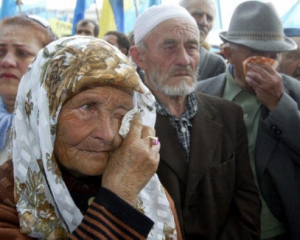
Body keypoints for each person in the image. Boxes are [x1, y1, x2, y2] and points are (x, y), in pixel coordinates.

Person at [0, 36, 182, 239]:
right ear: (42, 115)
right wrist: (119, 195)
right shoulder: (6, 197)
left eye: (121, 113)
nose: (107, 134)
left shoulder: (151, 193)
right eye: (87, 107)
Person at [130, 4, 261, 240]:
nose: (184, 59)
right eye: (169, 47)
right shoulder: (125, 123)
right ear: (139, 57)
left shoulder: (229, 115)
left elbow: (246, 205)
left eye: (192, 47)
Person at [197, 2, 300, 239]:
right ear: (228, 54)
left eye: (273, 54)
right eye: (256, 53)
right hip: (219, 230)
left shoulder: (294, 93)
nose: (267, 61)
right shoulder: (200, 95)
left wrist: (279, 104)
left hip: (278, 229)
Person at [0, 15, 57, 165]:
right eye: (0, 52)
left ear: (48, 63)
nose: (7, 61)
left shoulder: (59, 127)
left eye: (22, 53)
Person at [179, 0, 226, 81]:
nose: (204, 22)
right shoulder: (157, 53)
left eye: (209, 18)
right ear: (179, 14)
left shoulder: (215, 64)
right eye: (197, 14)